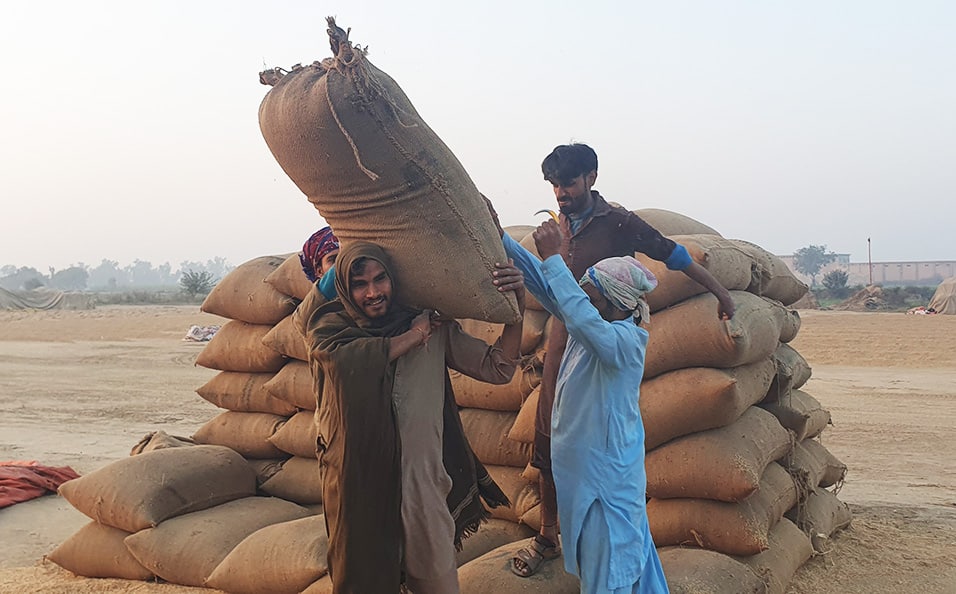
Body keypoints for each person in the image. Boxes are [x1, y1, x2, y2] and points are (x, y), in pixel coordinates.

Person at [503, 143, 736, 577]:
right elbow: (549, 288)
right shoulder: (558, 229)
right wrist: (496, 233)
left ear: (590, 176)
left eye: (568, 182)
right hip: (564, 337)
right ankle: (549, 536)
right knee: (550, 437)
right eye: (553, 184)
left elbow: (675, 255)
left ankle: (608, 541)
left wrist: (721, 293)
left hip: (600, 338)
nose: (560, 192)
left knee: (601, 447)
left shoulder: (619, 224)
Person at [305, 241, 526, 594]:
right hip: (359, 486)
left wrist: (517, 306)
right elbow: (348, 363)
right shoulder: (329, 330)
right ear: (345, 286)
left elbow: (497, 369)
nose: (374, 292)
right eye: (360, 284)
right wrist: (414, 336)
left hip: (422, 484)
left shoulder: (430, 324)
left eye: (381, 279)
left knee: (437, 583)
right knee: (363, 581)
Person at [495, 219, 669, 593]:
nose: (580, 301)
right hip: (585, 482)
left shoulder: (623, 342)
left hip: (605, 487)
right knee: (612, 567)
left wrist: (556, 258)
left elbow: (579, 313)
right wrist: (502, 238)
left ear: (612, 304)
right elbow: (551, 290)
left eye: (590, 297)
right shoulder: (588, 327)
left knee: (613, 570)